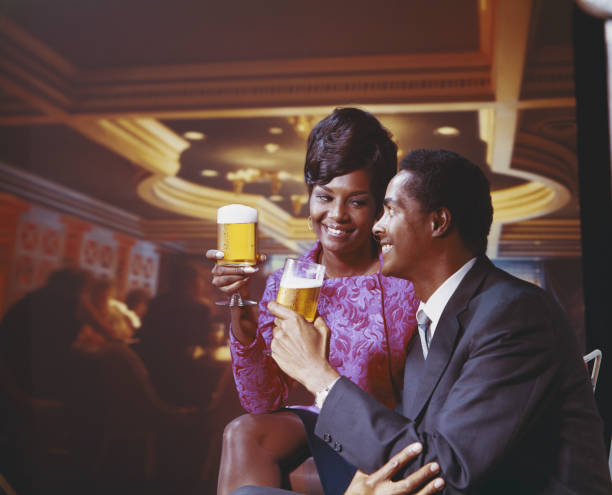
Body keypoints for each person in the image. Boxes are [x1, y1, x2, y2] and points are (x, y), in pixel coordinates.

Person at [265, 149, 612, 494]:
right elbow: (414, 447)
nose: (377, 226)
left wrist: (318, 375)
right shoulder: (432, 323)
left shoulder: (515, 315)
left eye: (390, 210)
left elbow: (451, 470)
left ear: (438, 222)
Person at [208, 108, 419, 495]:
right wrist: (241, 311)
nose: (336, 215)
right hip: (326, 426)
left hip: (392, 433)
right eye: (324, 197)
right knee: (242, 432)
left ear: (378, 206)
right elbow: (262, 400)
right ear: (309, 196)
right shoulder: (289, 283)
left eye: (356, 201)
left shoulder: (406, 277)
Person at [135, 261, 213, 407]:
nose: (202, 285)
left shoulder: (155, 303)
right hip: (185, 381)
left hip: (151, 378)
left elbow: (142, 335)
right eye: (201, 280)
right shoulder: (200, 309)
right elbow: (205, 344)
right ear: (192, 282)